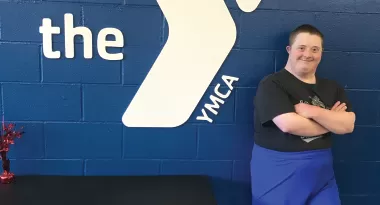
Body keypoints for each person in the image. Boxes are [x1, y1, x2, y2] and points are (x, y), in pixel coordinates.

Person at [251, 24, 356, 205]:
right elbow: (289, 125)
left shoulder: (332, 87)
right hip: (278, 174)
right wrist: (331, 120)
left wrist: (313, 111)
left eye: (315, 49)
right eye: (301, 48)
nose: (308, 54)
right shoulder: (272, 84)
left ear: (321, 53)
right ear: (289, 49)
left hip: (322, 177)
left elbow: (348, 125)